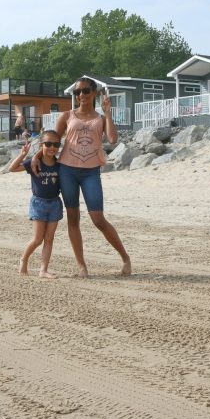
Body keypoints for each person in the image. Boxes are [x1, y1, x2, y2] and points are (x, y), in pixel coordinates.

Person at [55, 78, 131, 278]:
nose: (81, 95)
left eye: (85, 91)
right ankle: (81, 266)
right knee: (73, 219)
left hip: (90, 172)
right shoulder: (66, 116)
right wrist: (36, 158)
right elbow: (51, 141)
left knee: (98, 219)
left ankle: (125, 258)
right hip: (67, 171)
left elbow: (113, 139)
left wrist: (107, 112)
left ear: (94, 93)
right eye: (77, 92)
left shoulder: (100, 117)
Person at [8, 130, 63, 278]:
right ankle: (24, 259)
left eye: (56, 144)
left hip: (55, 204)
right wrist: (23, 154)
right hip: (38, 203)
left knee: (49, 239)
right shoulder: (35, 163)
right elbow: (12, 168)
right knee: (38, 239)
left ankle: (43, 270)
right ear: (41, 145)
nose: (52, 147)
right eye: (48, 144)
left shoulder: (60, 165)